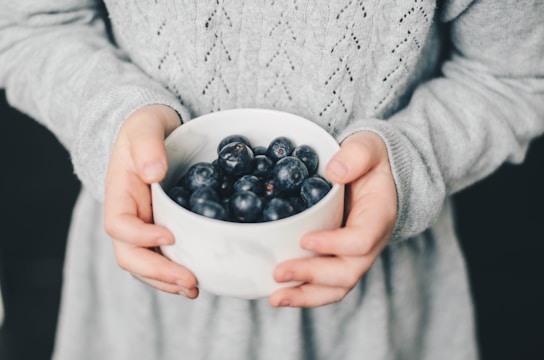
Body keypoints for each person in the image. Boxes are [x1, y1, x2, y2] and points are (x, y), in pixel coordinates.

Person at [1, 1, 543, 359]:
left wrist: (414, 158)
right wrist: (114, 120)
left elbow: (516, 75)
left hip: (372, 320)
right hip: (142, 306)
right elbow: (30, 23)